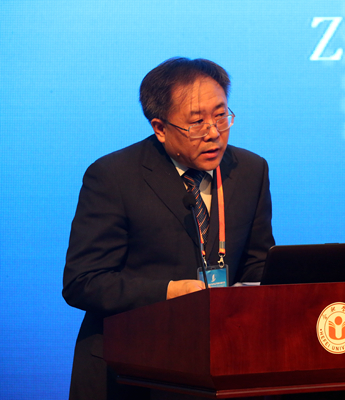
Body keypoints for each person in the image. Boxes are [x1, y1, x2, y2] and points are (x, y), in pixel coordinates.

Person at [62, 57, 275, 400]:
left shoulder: (250, 170)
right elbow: (83, 282)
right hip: (129, 369)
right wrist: (168, 292)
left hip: (216, 367)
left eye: (221, 115)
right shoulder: (114, 177)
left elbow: (256, 265)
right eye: (197, 122)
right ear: (160, 128)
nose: (213, 132)